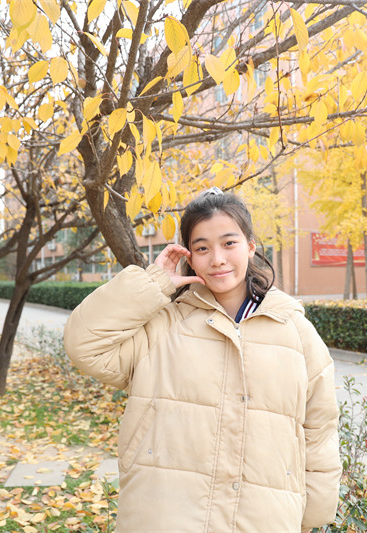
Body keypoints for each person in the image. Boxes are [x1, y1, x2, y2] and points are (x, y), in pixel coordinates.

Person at [63, 188, 341, 532]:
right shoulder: (163, 326)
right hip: (164, 515)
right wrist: (154, 283)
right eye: (202, 248)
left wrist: (312, 516)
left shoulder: (295, 331)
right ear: (190, 258)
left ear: (250, 246)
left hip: (262, 519)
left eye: (229, 243)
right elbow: (83, 344)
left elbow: (320, 427)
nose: (218, 259)